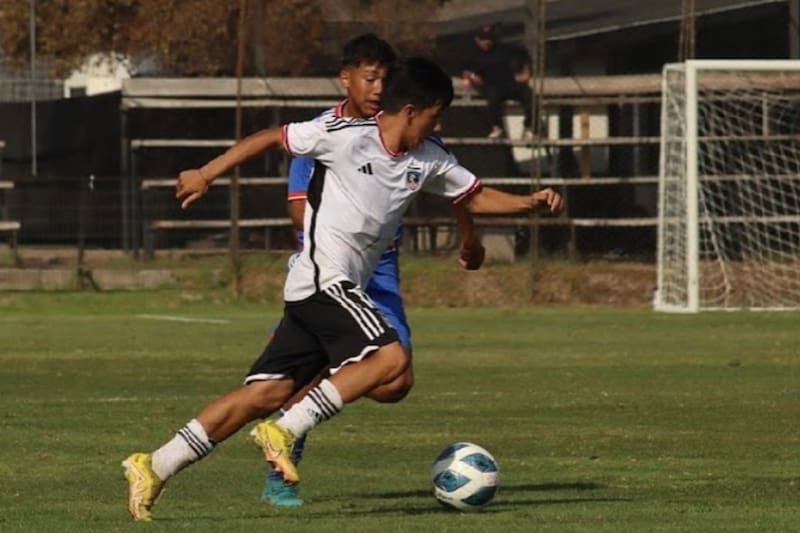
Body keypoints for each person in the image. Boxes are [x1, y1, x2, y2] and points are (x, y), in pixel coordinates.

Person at [122, 56, 564, 522]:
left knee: (264, 394)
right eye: (436, 116)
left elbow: (471, 194)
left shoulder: (427, 157)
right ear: (412, 110)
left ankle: (154, 465)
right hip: (322, 279)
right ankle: (287, 431)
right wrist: (207, 173)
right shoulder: (343, 137)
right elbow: (272, 137)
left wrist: (528, 203)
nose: (438, 126)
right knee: (391, 358)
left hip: (328, 287)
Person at [265, 33, 485, 507]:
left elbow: (458, 188)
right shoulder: (328, 134)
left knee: (395, 381)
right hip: (329, 266)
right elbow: (300, 213)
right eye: (371, 77)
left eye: (387, 78)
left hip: (381, 269)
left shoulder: (419, 135)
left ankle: (333, 374)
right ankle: (282, 467)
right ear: (347, 80)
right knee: (310, 369)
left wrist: (471, 238)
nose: (380, 88)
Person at [461, 23, 535, 139]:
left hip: (509, 84)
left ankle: (529, 127)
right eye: (483, 39)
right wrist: (470, 77)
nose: (487, 42)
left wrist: (527, 72)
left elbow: (524, 53)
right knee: (493, 96)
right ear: (477, 40)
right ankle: (497, 127)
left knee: (528, 94)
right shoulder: (473, 55)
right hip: (490, 86)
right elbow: (465, 70)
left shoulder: (504, 49)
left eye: (489, 38)